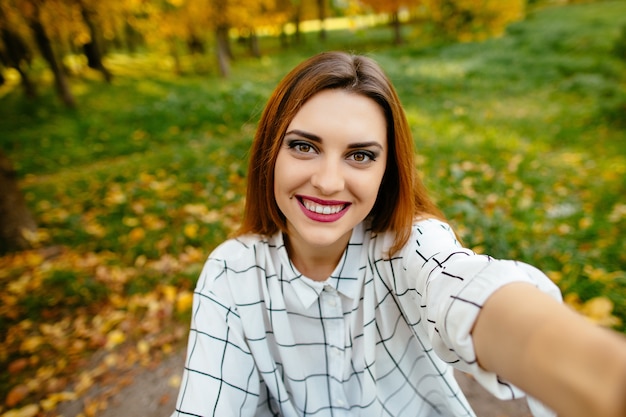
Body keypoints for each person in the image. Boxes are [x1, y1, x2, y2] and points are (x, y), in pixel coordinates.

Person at [172, 51, 626, 417]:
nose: (329, 182)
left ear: (387, 170)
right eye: (304, 147)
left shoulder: (407, 247)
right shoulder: (232, 272)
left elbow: (469, 290)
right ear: (270, 153)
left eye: (360, 156)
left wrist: (603, 376)